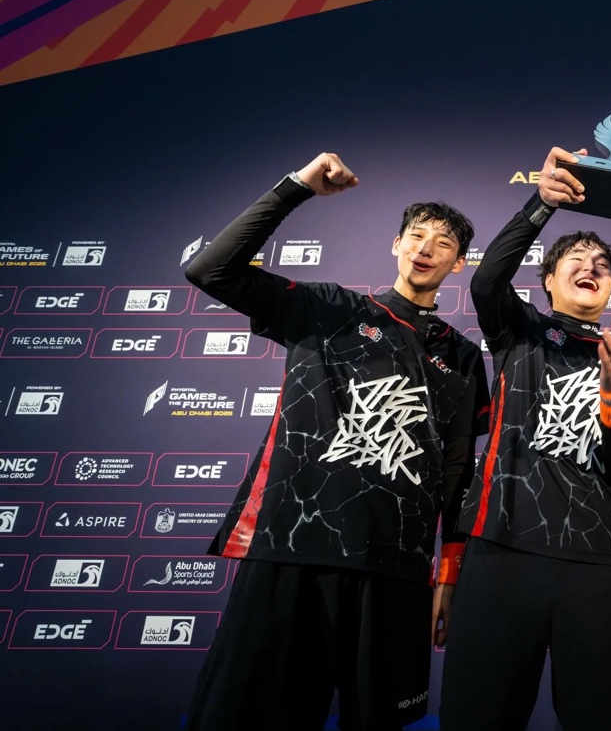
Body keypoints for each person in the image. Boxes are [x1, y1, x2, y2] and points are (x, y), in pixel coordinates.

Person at [184, 153, 489, 731]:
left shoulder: (464, 356)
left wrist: (448, 575)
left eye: (443, 242)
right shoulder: (330, 308)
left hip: (397, 569)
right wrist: (296, 188)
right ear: (396, 245)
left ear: (458, 263)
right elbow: (210, 270)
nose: (426, 247)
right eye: (416, 235)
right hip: (294, 547)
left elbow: (457, 473)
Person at [440, 147, 611, 730]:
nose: (591, 266)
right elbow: (487, 280)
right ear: (549, 281)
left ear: (610, 287)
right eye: (576, 259)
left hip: (597, 562)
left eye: (602, 264)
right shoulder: (521, 330)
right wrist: (543, 203)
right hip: (501, 549)